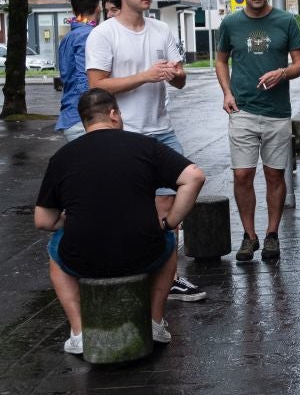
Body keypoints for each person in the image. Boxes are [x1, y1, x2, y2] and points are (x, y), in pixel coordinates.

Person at [35, 89, 205, 354]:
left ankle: (79, 332)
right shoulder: (145, 146)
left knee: (55, 247)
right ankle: (155, 322)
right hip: (143, 254)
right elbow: (194, 176)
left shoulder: (63, 157)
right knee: (168, 240)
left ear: (84, 121)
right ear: (113, 114)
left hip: (83, 260)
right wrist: (168, 223)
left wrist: (66, 221)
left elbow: (43, 220)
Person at [86, 0, 206, 302]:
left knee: (175, 199)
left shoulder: (161, 29)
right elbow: (96, 86)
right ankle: (136, 272)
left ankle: (170, 277)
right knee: (130, 208)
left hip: (161, 130)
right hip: (124, 134)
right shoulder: (104, 34)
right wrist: (145, 76)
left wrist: (173, 74)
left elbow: (180, 80)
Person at [216, 0, 300, 262]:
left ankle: (272, 234)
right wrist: (227, 92)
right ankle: (249, 236)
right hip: (242, 109)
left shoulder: (285, 21)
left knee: (274, 175)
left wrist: (282, 73)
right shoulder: (230, 23)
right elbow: (220, 60)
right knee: (242, 174)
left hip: (277, 112)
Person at [55, 0, 101, 142]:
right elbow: (84, 81)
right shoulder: (89, 35)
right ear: (98, 8)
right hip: (84, 121)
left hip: (71, 116)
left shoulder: (68, 37)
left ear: (74, 10)